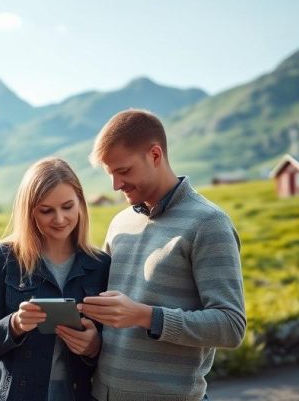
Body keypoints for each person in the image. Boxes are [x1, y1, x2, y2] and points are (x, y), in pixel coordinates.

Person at [78, 109, 246, 401]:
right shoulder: (120, 222)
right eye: (110, 174)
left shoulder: (209, 223)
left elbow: (231, 326)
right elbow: (108, 313)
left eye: (124, 171)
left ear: (155, 155)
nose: (116, 185)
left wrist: (144, 316)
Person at [0, 157, 111, 401]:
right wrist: (15, 324)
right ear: (29, 212)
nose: (59, 219)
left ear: (80, 203)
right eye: (46, 210)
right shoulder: (5, 257)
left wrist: (93, 346)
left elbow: (116, 342)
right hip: (12, 395)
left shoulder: (100, 265)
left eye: (67, 206)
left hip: (74, 393)